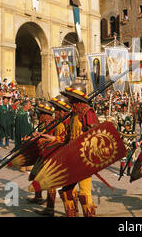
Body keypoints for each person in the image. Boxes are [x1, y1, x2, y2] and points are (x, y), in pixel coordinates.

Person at [41, 83, 99, 217]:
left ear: (77, 100)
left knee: (84, 194)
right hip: (73, 159)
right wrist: (52, 138)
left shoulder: (87, 112)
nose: (70, 102)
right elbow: (67, 138)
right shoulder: (74, 115)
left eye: (71, 99)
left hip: (84, 160)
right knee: (66, 192)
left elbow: (95, 135)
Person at [14, 99, 34, 172]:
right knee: (23, 151)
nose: (30, 106)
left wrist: (32, 133)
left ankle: (28, 165)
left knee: (29, 151)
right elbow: (19, 127)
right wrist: (22, 136)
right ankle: (23, 166)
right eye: (29, 104)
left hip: (29, 134)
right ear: (25, 105)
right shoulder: (20, 115)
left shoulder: (27, 113)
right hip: (24, 135)